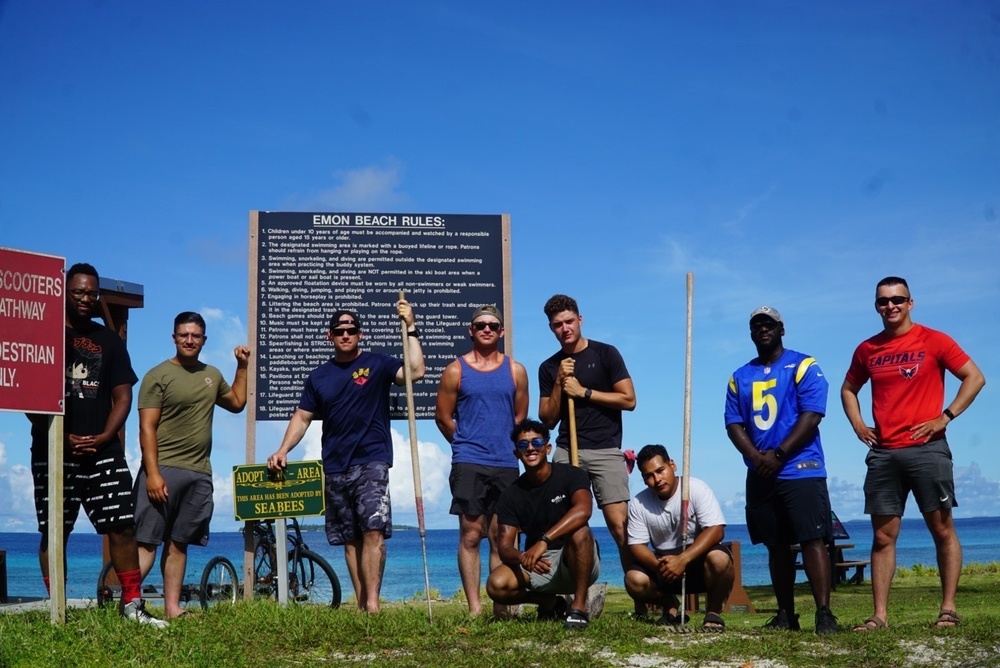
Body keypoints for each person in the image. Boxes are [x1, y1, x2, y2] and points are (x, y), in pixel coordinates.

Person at [841, 277, 985, 631]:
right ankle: (879, 616)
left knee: (942, 529)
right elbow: (849, 389)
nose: (890, 306)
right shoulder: (867, 349)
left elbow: (974, 377)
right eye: (883, 302)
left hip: (927, 450)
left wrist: (944, 417)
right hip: (884, 454)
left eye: (897, 300)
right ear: (876, 306)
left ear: (910, 303)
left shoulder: (934, 340)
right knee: (882, 537)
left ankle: (948, 609)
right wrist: (859, 425)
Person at [28, 262, 166, 626]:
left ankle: (132, 605)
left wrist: (106, 435)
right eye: (79, 292)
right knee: (55, 529)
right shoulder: (45, 336)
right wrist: (56, 433)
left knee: (122, 525)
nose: (86, 298)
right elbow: (29, 396)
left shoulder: (108, 340)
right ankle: (57, 607)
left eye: (92, 292)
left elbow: (123, 395)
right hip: (53, 450)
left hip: (103, 450)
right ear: (65, 292)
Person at [266, 302, 424, 612]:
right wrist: (283, 449)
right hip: (336, 464)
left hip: (371, 459)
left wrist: (411, 327)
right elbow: (302, 417)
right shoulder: (319, 377)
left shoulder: (377, 364)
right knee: (350, 538)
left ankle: (374, 605)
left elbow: (416, 371)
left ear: (359, 334)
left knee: (374, 530)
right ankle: (363, 602)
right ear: (331, 336)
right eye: (340, 331)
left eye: (352, 330)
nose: (346, 334)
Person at [725, 306, 840, 635]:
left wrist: (779, 453)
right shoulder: (739, 376)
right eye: (757, 325)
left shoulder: (803, 365)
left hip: (801, 468)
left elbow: (813, 413)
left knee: (813, 538)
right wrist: (757, 458)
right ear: (751, 333)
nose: (763, 329)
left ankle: (824, 613)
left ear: (781, 329)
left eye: (769, 324)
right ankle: (785, 614)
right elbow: (733, 423)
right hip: (761, 473)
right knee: (775, 545)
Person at [134, 311, 249, 619]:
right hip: (163, 470)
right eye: (183, 335)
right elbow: (146, 428)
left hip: (199, 473)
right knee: (146, 543)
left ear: (203, 340)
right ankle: (126, 605)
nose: (189, 340)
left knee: (179, 543)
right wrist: (153, 474)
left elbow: (237, 402)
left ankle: (172, 609)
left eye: (195, 335)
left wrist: (242, 366)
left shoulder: (211, 375)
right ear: (174, 338)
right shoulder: (156, 376)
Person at [434, 305, 529, 616]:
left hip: (506, 463)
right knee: (471, 534)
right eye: (480, 325)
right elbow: (444, 417)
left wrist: (502, 443)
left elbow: (519, 416)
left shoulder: (516, 370)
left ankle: (501, 606)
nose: (486, 329)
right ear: (470, 331)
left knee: (501, 537)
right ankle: (475, 607)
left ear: (501, 332)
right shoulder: (455, 370)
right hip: (469, 462)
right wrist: (465, 445)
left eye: (492, 325)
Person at [537, 295, 636, 586]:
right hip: (568, 451)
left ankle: (640, 591)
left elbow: (629, 400)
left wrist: (585, 393)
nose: (565, 328)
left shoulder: (606, 354)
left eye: (569, 321)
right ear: (551, 329)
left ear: (580, 320)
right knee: (567, 526)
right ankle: (569, 594)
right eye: (558, 325)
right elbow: (547, 419)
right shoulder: (549, 367)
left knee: (621, 527)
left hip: (606, 449)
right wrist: (558, 383)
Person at [486, 418, 600, 630]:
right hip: (539, 562)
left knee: (580, 532)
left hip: (574, 555)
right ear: (516, 453)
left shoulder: (572, 475)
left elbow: (584, 510)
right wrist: (523, 557)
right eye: (523, 445)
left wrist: (543, 541)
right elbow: (504, 548)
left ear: (547, 448)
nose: (530, 448)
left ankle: (579, 608)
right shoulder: (511, 495)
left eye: (536, 443)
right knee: (496, 584)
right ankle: (550, 603)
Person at [625, 444, 734, 631]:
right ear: (644, 480)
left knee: (720, 559)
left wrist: (683, 559)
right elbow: (636, 546)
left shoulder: (696, 488)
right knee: (633, 579)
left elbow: (716, 530)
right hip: (664, 566)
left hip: (698, 560)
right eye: (649, 476)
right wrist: (661, 566)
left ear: (672, 465)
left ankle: (713, 612)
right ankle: (669, 605)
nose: (657, 479)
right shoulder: (639, 503)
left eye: (661, 470)